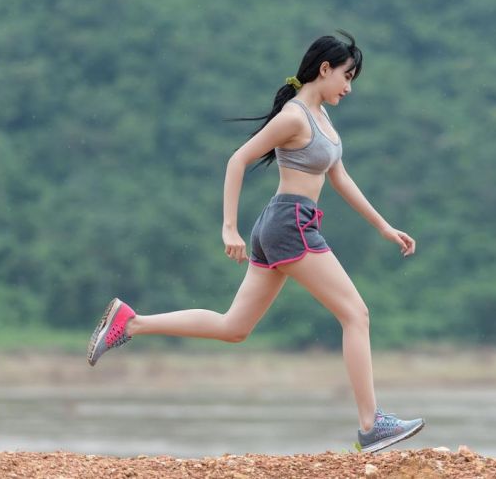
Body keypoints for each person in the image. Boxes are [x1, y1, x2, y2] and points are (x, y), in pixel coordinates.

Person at [86, 31, 424, 453]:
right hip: (290, 225)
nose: (349, 87)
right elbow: (238, 159)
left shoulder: (322, 119)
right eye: (346, 76)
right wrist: (229, 228)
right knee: (356, 314)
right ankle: (371, 425)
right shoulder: (295, 116)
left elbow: (339, 176)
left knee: (234, 328)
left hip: (282, 225)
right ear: (325, 69)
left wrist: (383, 226)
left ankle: (131, 323)